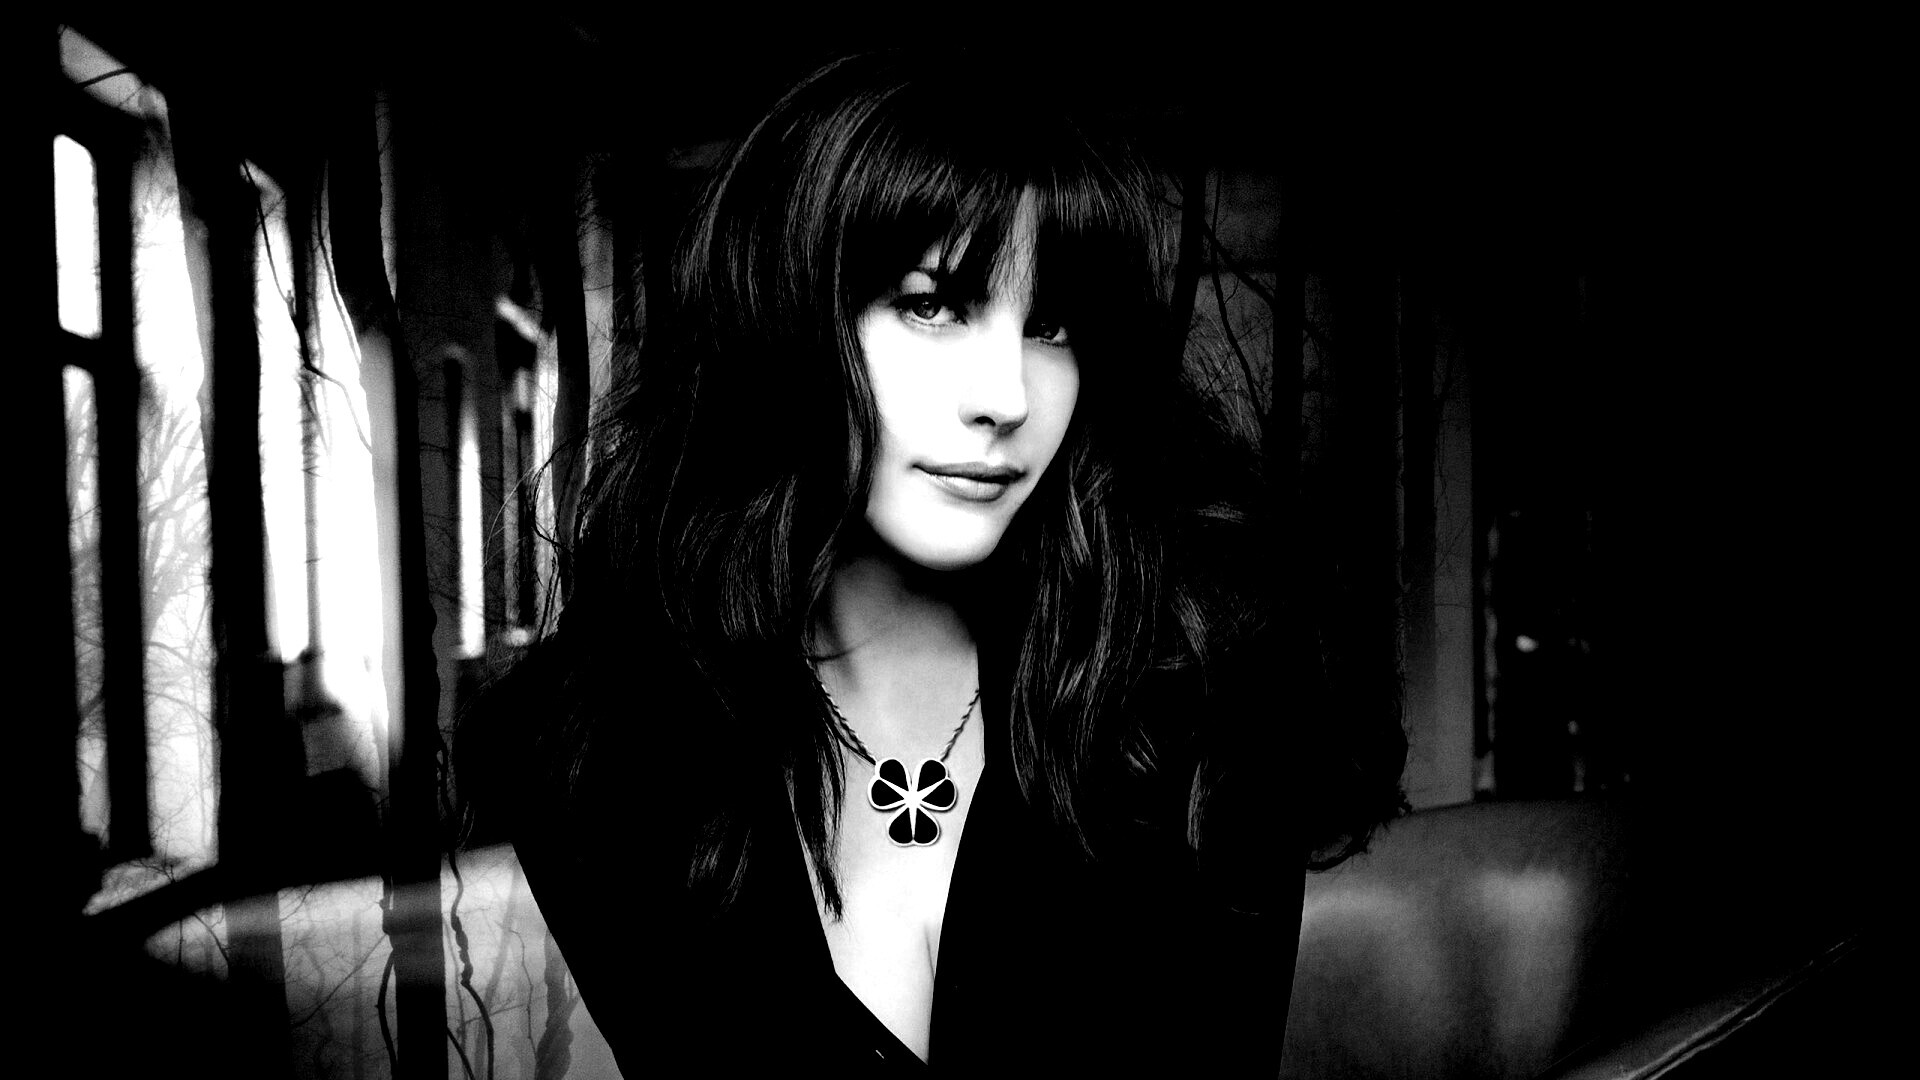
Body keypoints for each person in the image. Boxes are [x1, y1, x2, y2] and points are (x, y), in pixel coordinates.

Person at [461, 51, 1405, 1075]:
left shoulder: (1204, 700)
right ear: (785, 312)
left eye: (1052, 325)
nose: (1006, 396)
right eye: (933, 304)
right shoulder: (595, 746)